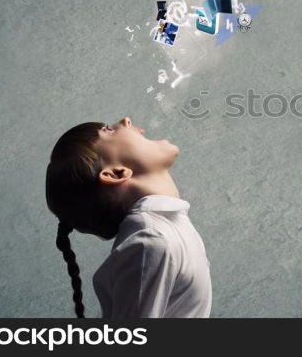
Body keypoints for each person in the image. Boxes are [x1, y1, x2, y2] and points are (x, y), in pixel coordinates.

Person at [45, 117, 212, 318]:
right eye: (108, 130)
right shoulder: (152, 241)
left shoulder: (166, 229)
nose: (125, 120)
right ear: (116, 173)